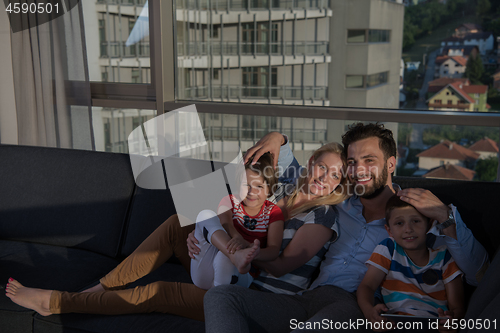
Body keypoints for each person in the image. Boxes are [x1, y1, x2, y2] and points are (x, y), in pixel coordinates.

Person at [5, 142, 348, 321]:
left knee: (159, 293)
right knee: (179, 222)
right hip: (226, 266)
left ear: (339, 184)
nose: (324, 177)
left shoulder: (323, 215)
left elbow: (282, 265)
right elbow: (230, 213)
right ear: (312, 160)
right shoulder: (279, 191)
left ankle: (57, 303)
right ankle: (99, 287)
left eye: (335, 175)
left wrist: (231, 244)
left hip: (253, 297)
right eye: (322, 166)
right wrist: (205, 237)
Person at [203, 123, 489, 333]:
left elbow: (479, 274)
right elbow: (302, 173)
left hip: (354, 305)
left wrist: (445, 216)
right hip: (305, 298)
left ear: (391, 163)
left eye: (369, 160)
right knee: (220, 297)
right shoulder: (340, 201)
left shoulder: (412, 216)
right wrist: (278, 137)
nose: (358, 169)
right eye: (352, 162)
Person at [357, 195, 464, 332]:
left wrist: (452, 321)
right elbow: (366, 286)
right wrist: (369, 313)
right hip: (395, 325)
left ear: (429, 225)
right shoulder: (388, 249)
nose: (408, 229)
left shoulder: (444, 257)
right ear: (389, 230)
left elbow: (457, 307)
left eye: (415, 221)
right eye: (399, 223)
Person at [190, 153, 284, 290]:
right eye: (247, 185)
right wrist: (237, 237)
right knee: (205, 215)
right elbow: (225, 223)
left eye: (259, 186)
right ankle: (235, 257)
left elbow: (274, 251)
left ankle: (218, 297)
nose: (252, 192)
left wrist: (253, 251)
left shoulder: (273, 212)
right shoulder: (229, 200)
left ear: (269, 189)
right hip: (206, 270)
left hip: (240, 275)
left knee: (225, 256)